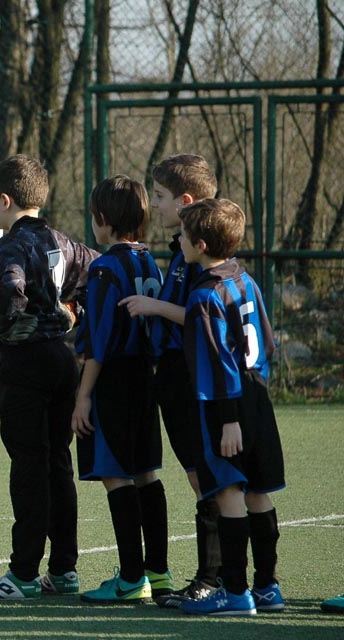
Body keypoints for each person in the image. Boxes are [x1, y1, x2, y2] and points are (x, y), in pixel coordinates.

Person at [0, 155, 98, 600]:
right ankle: (63, 569)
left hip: (26, 363)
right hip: (62, 361)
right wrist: (70, 313)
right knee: (58, 463)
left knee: (28, 467)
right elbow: (97, 273)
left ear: (4, 201)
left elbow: (9, 295)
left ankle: (23, 572)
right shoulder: (62, 241)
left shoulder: (11, 245)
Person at [118, 154, 221, 607]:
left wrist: (154, 307)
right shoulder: (181, 248)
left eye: (160, 196)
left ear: (186, 201)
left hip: (193, 377)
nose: (154, 205)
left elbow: (205, 315)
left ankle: (215, 578)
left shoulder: (203, 252)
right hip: (174, 377)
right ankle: (219, 577)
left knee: (208, 480)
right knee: (200, 477)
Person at [177, 199, 285, 616]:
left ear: (201, 245)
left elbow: (219, 363)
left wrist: (228, 421)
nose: (179, 241)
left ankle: (236, 592)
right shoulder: (245, 279)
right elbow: (267, 344)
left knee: (228, 492)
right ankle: (268, 587)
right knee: (259, 491)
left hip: (224, 408)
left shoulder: (204, 295)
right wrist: (253, 399)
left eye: (184, 235)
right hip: (257, 396)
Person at [71, 175, 171, 604]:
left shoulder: (104, 268)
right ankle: (159, 572)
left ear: (103, 220)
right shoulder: (150, 262)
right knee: (146, 472)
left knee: (116, 474)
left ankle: (131, 578)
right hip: (145, 377)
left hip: (113, 379)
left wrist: (83, 396)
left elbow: (100, 341)